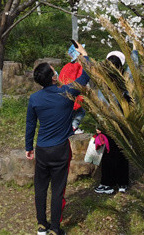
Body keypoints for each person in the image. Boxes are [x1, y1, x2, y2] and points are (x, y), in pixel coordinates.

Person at [25, 45, 90, 235]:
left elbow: (30, 126)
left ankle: (41, 225)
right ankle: (54, 228)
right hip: (61, 149)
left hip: (42, 149)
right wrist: (84, 55)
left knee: (40, 188)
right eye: (54, 70)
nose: (57, 71)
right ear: (54, 78)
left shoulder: (34, 99)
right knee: (58, 189)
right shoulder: (67, 93)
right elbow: (87, 75)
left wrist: (29, 147)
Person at [93, 50, 131, 195]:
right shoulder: (125, 82)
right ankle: (123, 182)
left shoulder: (103, 84)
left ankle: (107, 183)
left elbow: (99, 105)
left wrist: (99, 125)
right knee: (122, 151)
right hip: (123, 122)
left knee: (108, 153)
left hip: (107, 123)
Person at [58, 41, 86, 134]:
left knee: (69, 114)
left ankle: (67, 127)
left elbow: (61, 79)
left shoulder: (66, 66)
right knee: (81, 112)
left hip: (64, 94)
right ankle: (73, 127)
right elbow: (82, 80)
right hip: (75, 96)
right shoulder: (80, 66)